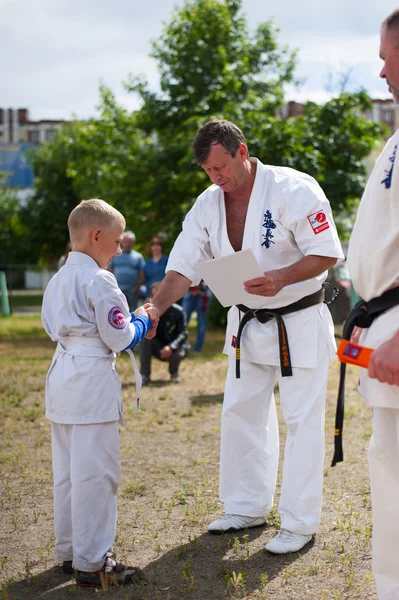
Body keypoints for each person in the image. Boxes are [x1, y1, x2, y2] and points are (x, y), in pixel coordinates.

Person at [150, 118, 344, 554]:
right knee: (241, 413)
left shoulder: (294, 188)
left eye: (220, 167)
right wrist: (157, 306)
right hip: (246, 320)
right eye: (207, 171)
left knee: (301, 421)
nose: (215, 178)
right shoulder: (207, 204)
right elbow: (184, 263)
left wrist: (281, 277)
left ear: (242, 152)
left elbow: (327, 251)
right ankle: (246, 505)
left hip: (297, 317)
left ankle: (298, 522)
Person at [41, 199, 158, 587]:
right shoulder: (99, 280)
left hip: (62, 377)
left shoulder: (58, 278)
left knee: (69, 473)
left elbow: (49, 327)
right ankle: (93, 563)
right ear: (96, 236)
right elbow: (119, 336)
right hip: (90, 381)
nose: (120, 250)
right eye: (116, 242)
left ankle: (72, 550)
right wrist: (143, 320)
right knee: (96, 474)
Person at [345, 10, 399, 598]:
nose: (381, 69)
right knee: (390, 474)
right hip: (384, 321)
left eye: (388, 55)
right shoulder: (395, 140)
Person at [140, 282, 190, 384]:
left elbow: (183, 333)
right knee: (145, 339)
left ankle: (174, 373)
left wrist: (171, 347)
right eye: (153, 296)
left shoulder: (178, 311)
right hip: (158, 345)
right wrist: (146, 315)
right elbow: (143, 330)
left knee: (179, 353)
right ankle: (145, 375)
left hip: (175, 346)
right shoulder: (148, 312)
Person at [109, 230, 145, 311]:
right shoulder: (115, 254)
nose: (127, 244)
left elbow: (142, 275)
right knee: (117, 310)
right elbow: (109, 271)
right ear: (122, 242)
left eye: (130, 242)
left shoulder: (138, 257)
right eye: (125, 241)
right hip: (117, 289)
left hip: (132, 291)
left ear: (133, 243)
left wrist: (136, 287)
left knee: (132, 310)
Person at [182, 281, 212, 353]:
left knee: (202, 322)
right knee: (183, 321)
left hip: (204, 294)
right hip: (188, 293)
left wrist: (200, 287)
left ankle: (198, 349)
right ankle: (182, 346)